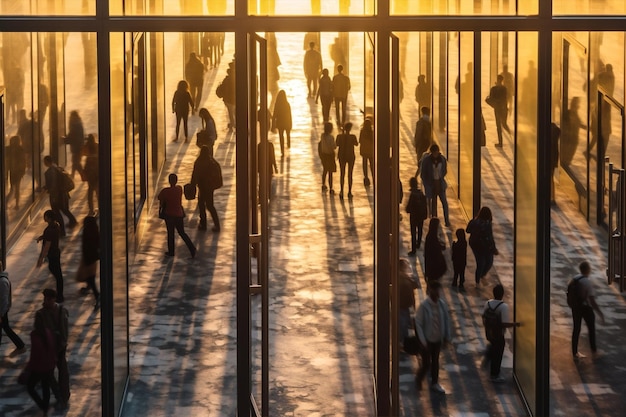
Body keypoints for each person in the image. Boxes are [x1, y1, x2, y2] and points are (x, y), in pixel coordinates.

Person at [414, 280, 452, 393]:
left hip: (437, 340)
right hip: (427, 340)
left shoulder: (442, 304)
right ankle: (419, 378)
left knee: (435, 362)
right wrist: (422, 340)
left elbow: (446, 320)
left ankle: (435, 383)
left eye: (438, 290)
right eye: (435, 290)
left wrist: (446, 337)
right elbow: (418, 323)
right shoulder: (424, 306)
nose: (437, 293)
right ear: (430, 291)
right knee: (426, 363)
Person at [36, 289, 70, 411]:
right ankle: (61, 397)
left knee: (61, 374)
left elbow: (65, 332)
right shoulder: (40, 314)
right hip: (49, 349)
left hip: (58, 348)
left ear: (54, 299)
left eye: (48, 299)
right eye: (45, 298)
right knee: (50, 375)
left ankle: (63, 397)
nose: (46, 301)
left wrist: (60, 346)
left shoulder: (61, 311)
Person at [483, 284, 520, 382]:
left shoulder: (488, 303)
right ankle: (494, 375)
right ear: (502, 294)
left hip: (489, 332)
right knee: (498, 354)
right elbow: (504, 323)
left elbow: (484, 316)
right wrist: (515, 324)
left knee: (493, 346)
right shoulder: (503, 307)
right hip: (498, 334)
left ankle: (488, 354)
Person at [570, 261, 605, 360]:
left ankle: (575, 353)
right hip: (585, 308)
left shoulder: (575, 278)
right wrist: (600, 313)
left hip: (575, 307)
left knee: (576, 328)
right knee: (591, 328)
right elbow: (592, 301)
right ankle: (594, 352)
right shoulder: (587, 282)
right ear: (588, 269)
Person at [158, 173, 197, 258]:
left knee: (170, 234)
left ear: (169, 181)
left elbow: (159, 197)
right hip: (179, 214)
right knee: (182, 233)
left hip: (169, 215)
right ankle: (192, 248)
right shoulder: (179, 189)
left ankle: (171, 251)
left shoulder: (165, 191)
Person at [26, 312, 57, 416]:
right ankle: (45, 409)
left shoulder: (34, 336)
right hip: (48, 366)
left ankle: (43, 406)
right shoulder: (48, 333)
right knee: (45, 387)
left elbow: (34, 354)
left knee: (30, 387)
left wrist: (29, 367)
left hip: (39, 367)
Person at [43, 155, 78, 236]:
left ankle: (62, 231)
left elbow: (51, 185)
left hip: (56, 195)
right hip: (63, 194)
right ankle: (73, 221)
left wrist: (46, 189)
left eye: (44, 162)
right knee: (64, 209)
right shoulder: (59, 168)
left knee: (56, 213)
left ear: (47, 162)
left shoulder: (49, 172)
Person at [36, 210, 65, 303]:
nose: (44, 218)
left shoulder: (49, 230)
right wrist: (42, 237)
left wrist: (41, 258)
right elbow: (50, 237)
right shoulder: (55, 226)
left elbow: (47, 245)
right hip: (56, 252)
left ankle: (59, 296)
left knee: (56, 274)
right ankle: (59, 294)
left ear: (48, 217)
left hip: (53, 254)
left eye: (45, 216)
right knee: (57, 274)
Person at [191, 146, 221, 232]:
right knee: (210, 205)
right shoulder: (212, 161)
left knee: (201, 205)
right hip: (210, 187)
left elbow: (195, 174)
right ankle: (217, 224)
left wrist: (193, 185)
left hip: (202, 187)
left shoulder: (199, 162)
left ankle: (203, 224)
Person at [466, 206, 499, 287]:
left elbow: (467, 230)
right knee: (488, 262)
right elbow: (490, 237)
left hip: (476, 245)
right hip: (484, 246)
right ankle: (481, 276)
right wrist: (494, 248)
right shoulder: (487, 224)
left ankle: (478, 280)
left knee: (480, 263)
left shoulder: (474, 221)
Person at [419, 144, 450, 226]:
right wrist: (427, 183)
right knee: (433, 203)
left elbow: (444, 170)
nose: (436, 154)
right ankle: (434, 221)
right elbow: (423, 173)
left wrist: (440, 177)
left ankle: (447, 220)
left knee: (444, 202)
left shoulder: (442, 159)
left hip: (440, 183)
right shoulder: (427, 160)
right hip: (431, 183)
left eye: (437, 152)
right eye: (434, 152)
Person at [0, 262, 26, 356]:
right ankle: (20, 345)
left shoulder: (2, 282)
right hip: (2, 311)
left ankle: (21, 346)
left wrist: (1, 314)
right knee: (6, 328)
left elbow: (3, 300)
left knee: (6, 328)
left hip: (2, 311)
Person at [79, 216, 100, 309]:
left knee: (90, 277)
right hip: (93, 257)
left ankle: (97, 295)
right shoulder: (95, 230)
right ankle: (89, 287)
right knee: (91, 275)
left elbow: (85, 246)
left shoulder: (86, 231)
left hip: (88, 258)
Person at [486, 74, 510, 148]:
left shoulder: (493, 89)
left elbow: (490, 98)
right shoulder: (504, 89)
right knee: (504, 123)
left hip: (497, 108)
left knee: (499, 126)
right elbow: (506, 99)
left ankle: (500, 142)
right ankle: (511, 134)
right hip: (503, 108)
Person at [405, 177, 427, 255]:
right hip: (420, 216)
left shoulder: (412, 195)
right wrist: (425, 215)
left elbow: (409, 207)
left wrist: (407, 210)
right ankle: (418, 243)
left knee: (413, 233)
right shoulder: (421, 194)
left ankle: (413, 249)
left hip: (414, 216)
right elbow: (425, 205)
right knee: (420, 230)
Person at [335, 122, 358, 199]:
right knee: (350, 174)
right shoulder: (352, 137)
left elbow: (336, 144)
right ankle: (349, 191)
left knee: (342, 174)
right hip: (351, 156)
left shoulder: (339, 136)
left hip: (342, 156)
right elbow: (356, 144)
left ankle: (341, 190)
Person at [398, 258, 417, 346]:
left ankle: (403, 340)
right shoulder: (401, 278)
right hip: (403, 305)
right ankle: (402, 341)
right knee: (403, 324)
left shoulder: (404, 277)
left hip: (405, 305)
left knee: (405, 323)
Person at [5, 135, 26, 209]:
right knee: (16, 188)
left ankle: (7, 202)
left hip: (12, 171)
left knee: (13, 188)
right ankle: (16, 204)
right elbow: (23, 161)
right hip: (17, 172)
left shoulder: (8, 149)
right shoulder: (20, 149)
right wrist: (22, 171)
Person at [424, 218, 447, 282]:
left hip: (431, 262)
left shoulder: (430, 235)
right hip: (434, 261)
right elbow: (435, 247)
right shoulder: (432, 236)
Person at [64, 110, 85, 179]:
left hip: (77, 147)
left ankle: (83, 176)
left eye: (71, 117)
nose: (70, 118)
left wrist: (65, 139)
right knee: (75, 162)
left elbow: (72, 136)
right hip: (78, 147)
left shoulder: (75, 126)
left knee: (76, 162)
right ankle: (76, 175)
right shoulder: (78, 124)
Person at [82, 134, 99, 216]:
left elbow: (83, 153)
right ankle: (100, 208)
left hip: (90, 173)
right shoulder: (97, 146)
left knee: (90, 192)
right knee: (97, 192)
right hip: (97, 171)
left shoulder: (87, 147)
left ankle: (91, 209)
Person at [272, 90, 293, 156]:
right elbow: (289, 115)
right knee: (288, 134)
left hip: (280, 123)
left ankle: (282, 151)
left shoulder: (277, 105)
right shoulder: (287, 104)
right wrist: (290, 124)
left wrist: (273, 125)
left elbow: (274, 115)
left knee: (281, 137)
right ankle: (288, 144)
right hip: (286, 123)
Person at [319, 122, 337, 194]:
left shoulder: (322, 136)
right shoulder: (331, 137)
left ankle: (323, 184)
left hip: (324, 155)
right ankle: (331, 187)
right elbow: (334, 147)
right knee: (330, 172)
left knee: (325, 170)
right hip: (330, 155)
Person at [413, 106, 432, 177]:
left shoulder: (420, 122)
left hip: (421, 144)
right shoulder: (430, 122)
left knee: (420, 162)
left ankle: (416, 177)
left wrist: (416, 143)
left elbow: (418, 134)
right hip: (428, 144)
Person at [359, 118, 374, 187]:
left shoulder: (362, 131)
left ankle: (366, 178)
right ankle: (374, 177)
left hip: (364, 150)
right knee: (372, 165)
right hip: (371, 150)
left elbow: (360, 140)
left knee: (364, 164)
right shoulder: (372, 132)